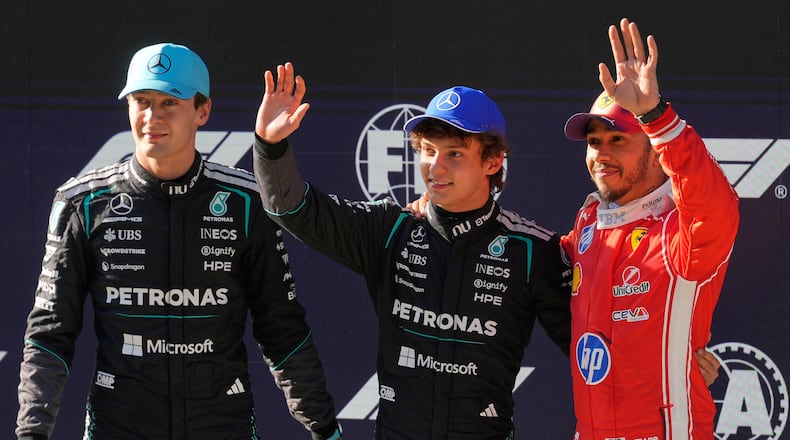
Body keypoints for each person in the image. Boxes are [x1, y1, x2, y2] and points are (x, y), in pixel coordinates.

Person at [16, 43, 341, 440]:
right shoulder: (81, 203)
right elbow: (50, 334)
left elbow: (281, 328)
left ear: (202, 111)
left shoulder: (246, 202)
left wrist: (323, 427)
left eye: (170, 102)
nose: (152, 117)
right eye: (141, 101)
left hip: (222, 425)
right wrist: (32, 433)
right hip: (119, 425)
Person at [253, 63, 573, 438]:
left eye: (454, 154)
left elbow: (590, 350)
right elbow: (293, 210)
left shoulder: (532, 250)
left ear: (492, 161)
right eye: (428, 150)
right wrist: (270, 147)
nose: (436, 167)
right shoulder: (390, 229)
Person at [560, 19, 739, 438]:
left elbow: (713, 205)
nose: (601, 154)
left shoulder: (681, 229)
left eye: (618, 140)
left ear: (656, 151)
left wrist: (656, 118)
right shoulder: (589, 223)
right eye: (594, 142)